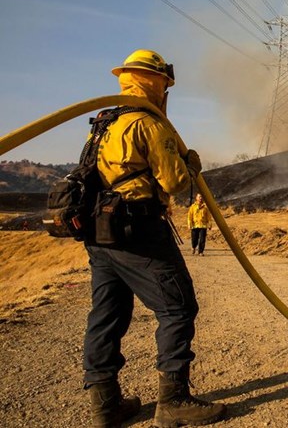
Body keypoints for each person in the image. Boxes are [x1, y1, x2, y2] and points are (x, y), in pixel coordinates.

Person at [83, 50, 225, 427]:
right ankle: (173, 402)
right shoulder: (149, 123)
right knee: (177, 307)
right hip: (138, 229)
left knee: (108, 313)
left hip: (100, 232)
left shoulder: (104, 122)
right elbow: (174, 182)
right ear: (157, 82)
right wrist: (191, 165)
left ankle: (105, 407)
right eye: (165, 84)